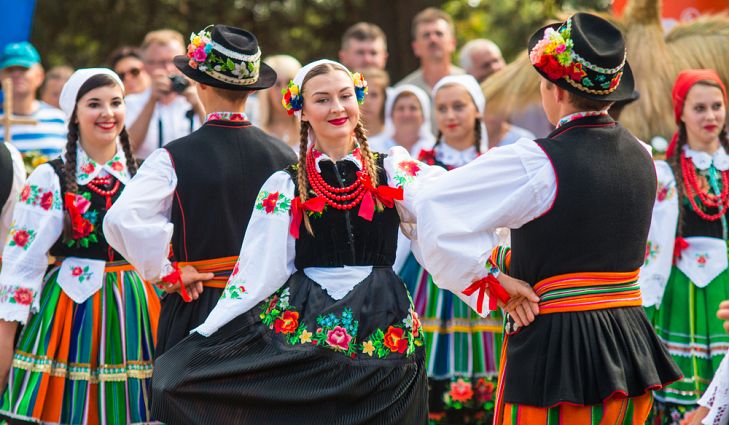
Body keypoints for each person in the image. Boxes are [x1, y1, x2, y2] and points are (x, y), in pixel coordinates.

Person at [148, 58, 539, 424]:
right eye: (322, 99)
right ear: (302, 110)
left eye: (344, 96)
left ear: (358, 100)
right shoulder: (286, 184)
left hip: (384, 327)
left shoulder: (394, 169)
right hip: (306, 328)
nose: (337, 107)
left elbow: (444, 215)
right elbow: (256, 272)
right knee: (177, 381)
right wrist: (209, 332)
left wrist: (490, 277)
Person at [412, 13, 681, 424]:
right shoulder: (645, 156)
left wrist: (492, 281)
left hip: (559, 352)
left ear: (554, 90)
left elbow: (436, 207)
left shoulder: (535, 162)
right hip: (630, 345)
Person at [104, 25, 297, 356]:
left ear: (199, 83)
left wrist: (168, 272)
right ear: (251, 91)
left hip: (200, 300)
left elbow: (120, 219)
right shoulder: (285, 155)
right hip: (270, 308)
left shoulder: (171, 157)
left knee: (192, 403)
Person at [0, 68, 159, 424]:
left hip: (136, 305)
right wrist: (6, 335)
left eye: (116, 103)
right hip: (69, 310)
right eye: (94, 104)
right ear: (74, 114)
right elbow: (22, 263)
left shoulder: (146, 175)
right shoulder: (50, 176)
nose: (108, 113)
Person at [396, 74, 496, 424]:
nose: (450, 115)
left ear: (477, 111)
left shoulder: (492, 162)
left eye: (459, 106)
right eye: (442, 108)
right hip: (428, 272)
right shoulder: (417, 164)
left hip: (482, 269)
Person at [637, 69, 729, 424]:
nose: (710, 117)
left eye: (717, 106)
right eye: (700, 108)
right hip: (681, 284)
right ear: (681, 113)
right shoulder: (664, 172)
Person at [125, 29, 205, 158]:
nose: (168, 69)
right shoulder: (131, 103)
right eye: (161, 63)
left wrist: (198, 104)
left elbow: (221, 144)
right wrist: (151, 101)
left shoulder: (200, 99)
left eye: (175, 61)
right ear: (145, 65)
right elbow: (126, 149)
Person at [0, 42, 67, 158]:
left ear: (40, 76)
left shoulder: (61, 120)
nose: (16, 74)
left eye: (23, 68)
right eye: (10, 69)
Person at [397, 8, 464, 95]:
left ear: (453, 43)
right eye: (426, 35)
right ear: (415, 47)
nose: (433, 39)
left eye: (439, 33)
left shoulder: (469, 85)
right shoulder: (403, 91)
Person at [369, 84, 434, 157]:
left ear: (424, 115)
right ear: (391, 115)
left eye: (413, 108)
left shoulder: (435, 149)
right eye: (401, 108)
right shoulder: (372, 148)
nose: (406, 114)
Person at [257, 54, 301, 150]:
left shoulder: (313, 129)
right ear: (266, 90)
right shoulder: (254, 128)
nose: (284, 90)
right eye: (277, 84)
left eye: (290, 82)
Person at [359, 67, 388, 141]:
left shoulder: (396, 136)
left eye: (374, 95)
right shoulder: (344, 137)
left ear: (384, 98)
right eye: (361, 94)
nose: (367, 102)